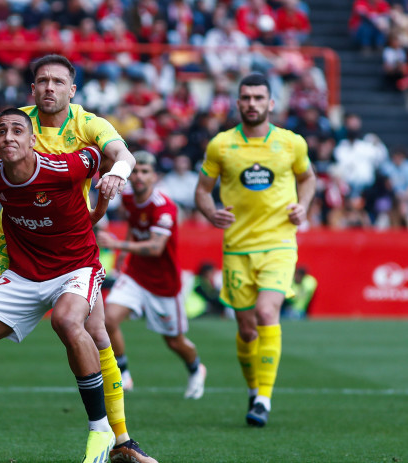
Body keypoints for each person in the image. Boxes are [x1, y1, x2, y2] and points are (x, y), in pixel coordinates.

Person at [0, 54, 157, 463]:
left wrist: (118, 171)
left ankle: (118, 440)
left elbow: (123, 153)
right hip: (13, 240)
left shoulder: (87, 124)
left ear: (71, 89)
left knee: (94, 333)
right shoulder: (13, 123)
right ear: (33, 88)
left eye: (58, 81)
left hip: (69, 244)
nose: (49, 87)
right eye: (42, 80)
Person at [194, 73, 315, 427]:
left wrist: (303, 206)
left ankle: (264, 398)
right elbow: (202, 189)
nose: (252, 104)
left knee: (267, 311)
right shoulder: (221, 145)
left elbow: (308, 179)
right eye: (246, 98)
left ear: (271, 103)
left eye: (259, 98)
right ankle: (253, 390)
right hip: (237, 248)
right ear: (238, 103)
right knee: (246, 330)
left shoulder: (292, 143)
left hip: (279, 243)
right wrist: (208, 210)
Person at [97, 151, 207, 398]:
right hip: (136, 275)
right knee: (108, 319)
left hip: (163, 283)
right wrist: (124, 257)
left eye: (145, 172)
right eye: (135, 171)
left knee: (174, 341)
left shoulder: (164, 207)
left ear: (155, 177)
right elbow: (135, 228)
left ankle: (196, 368)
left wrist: (117, 247)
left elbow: (156, 248)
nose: (139, 176)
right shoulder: (128, 199)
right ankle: (123, 374)